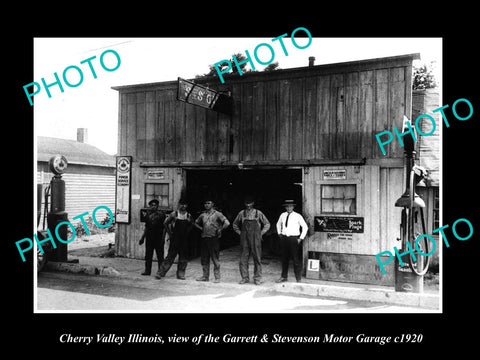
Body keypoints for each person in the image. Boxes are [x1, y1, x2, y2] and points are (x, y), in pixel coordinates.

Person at [232, 196, 270, 285]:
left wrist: (260, 233)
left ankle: (257, 278)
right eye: (247, 203)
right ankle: (245, 278)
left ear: (253, 203)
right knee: (243, 259)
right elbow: (235, 224)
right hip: (244, 238)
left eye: (250, 203)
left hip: (255, 238)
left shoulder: (258, 213)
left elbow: (267, 224)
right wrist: (240, 233)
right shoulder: (241, 213)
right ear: (245, 204)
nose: (248, 205)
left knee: (257, 258)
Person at [156, 198, 195, 280]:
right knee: (170, 257)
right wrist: (170, 234)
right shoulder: (174, 214)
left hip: (184, 240)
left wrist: (187, 231)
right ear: (179, 204)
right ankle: (160, 272)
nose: (183, 206)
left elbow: (192, 224)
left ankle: (181, 274)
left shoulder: (188, 215)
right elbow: (165, 223)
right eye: (181, 204)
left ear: (187, 205)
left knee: (183, 257)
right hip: (175, 239)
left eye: (185, 204)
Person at [194, 199, 230, 283]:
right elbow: (195, 223)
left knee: (215, 259)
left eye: (208, 203)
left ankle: (217, 277)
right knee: (204, 259)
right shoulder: (202, 215)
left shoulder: (217, 214)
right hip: (204, 238)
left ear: (212, 204)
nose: (206, 205)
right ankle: (205, 276)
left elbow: (227, 223)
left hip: (213, 239)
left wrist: (220, 229)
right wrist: (201, 228)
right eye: (205, 203)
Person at [275, 199, 308, 283]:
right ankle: (284, 277)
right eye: (287, 206)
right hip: (284, 238)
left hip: (293, 239)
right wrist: (279, 233)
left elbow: (305, 227)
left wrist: (301, 238)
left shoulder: (297, 216)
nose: (289, 208)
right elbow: (278, 224)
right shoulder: (282, 215)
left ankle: (298, 279)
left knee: (295, 259)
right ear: (285, 207)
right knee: (284, 258)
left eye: (290, 206)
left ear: (293, 207)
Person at [139, 199, 166, 276]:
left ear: (158, 206)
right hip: (149, 238)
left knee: (160, 256)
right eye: (152, 205)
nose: (153, 207)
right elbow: (146, 227)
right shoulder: (148, 215)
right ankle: (147, 271)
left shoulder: (162, 215)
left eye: (155, 205)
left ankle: (160, 272)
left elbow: (165, 227)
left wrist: (163, 238)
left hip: (159, 238)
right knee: (148, 255)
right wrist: (142, 238)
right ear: (150, 206)